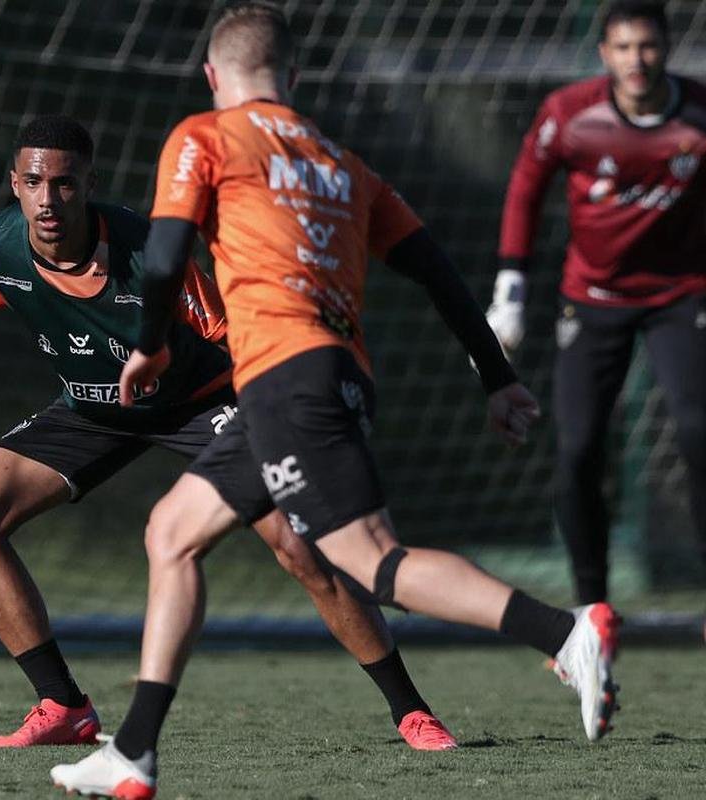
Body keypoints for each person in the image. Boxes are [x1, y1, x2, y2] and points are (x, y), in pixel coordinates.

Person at [52, 6, 620, 798]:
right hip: (324, 377)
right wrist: (497, 377)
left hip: (287, 379)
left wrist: (149, 342)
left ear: (214, 77)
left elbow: (162, 256)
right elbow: (440, 276)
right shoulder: (344, 165)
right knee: (172, 532)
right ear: (292, 78)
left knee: (373, 563)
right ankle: (134, 751)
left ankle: (565, 634)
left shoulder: (205, 136)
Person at [0, 115, 453, 750]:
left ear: (88, 186)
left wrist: (277, 426)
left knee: (296, 547)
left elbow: (237, 340)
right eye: (33, 181)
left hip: (201, 401)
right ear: (14, 183)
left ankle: (409, 709)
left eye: (64, 182)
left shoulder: (149, 251)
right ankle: (62, 707)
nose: (48, 197)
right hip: (93, 408)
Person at [490, 0, 705, 605]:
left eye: (648, 47)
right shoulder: (568, 115)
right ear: (603, 53)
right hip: (590, 299)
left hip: (681, 295)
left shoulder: (698, 114)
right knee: (579, 449)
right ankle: (592, 609)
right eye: (624, 48)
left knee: (698, 431)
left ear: (666, 49)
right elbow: (524, 193)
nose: (637, 61)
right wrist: (511, 289)